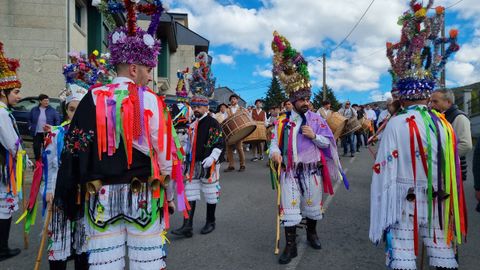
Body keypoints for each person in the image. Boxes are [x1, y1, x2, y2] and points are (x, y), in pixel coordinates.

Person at [53, 2, 176, 269]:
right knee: (147, 262)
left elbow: (75, 149)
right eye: (147, 69)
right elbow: (164, 155)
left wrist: (71, 190)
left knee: (105, 262)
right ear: (134, 69)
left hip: (101, 194)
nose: (148, 75)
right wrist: (168, 193)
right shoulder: (151, 100)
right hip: (143, 192)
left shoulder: (92, 98)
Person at [370, 2, 465, 269]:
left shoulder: (397, 123)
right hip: (439, 197)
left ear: (403, 93)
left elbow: (384, 167)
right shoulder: (443, 123)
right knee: (441, 250)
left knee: (402, 254)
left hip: (403, 201)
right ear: (427, 95)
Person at [270, 31, 346, 265]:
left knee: (313, 207)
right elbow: (273, 141)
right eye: (301, 100)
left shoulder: (316, 120)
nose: (306, 102)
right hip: (290, 172)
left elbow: (329, 143)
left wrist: (315, 137)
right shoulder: (283, 121)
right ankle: (290, 246)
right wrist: (273, 152)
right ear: (292, 101)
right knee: (290, 209)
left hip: (312, 171)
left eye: (307, 98)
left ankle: (312, 232)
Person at [42, 51, 110, 269]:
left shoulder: (93, 135)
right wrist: (49, 190)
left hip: (85, 195)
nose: (75, 114)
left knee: (83, 244)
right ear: (66, 110)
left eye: (79, 109)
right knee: (59, 243)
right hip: (62, 193)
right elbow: (51, 167)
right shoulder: (55, 133)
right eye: (71, 109)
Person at [0, 41, 28, 261]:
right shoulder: (1, 113)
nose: (19, 96)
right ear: (3, 91)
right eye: (16, 92)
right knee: (4, 207)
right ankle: (1, 249)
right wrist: (25, 159)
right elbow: (12, 143)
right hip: (4, 167)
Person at [431, 89, 472, 182]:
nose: (432, 105)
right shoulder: (442, 116)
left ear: (448, 102)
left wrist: (440, 157)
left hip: (453, 172)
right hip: (444, 171)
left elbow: (465, 145)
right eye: (431, 101)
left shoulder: (459, 117)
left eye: (435, 101)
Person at [29, 94, 61, 161]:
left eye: (47, 101)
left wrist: (54, 129)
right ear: (40, 101)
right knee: (36, 148)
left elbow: (57, 120)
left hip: (47, 133)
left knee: (46, 148)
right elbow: (29, 119)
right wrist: (30, 126)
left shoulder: (52, 110)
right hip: (37, 133)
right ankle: (38, 162)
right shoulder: (34, 110)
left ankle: (45, 161)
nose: (47, 102)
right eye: (45, 101)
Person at [224, 94, 247, 172]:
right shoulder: (227, 110)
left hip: (239, 131)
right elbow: (224, 119)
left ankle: (242, 165)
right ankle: (231, 165)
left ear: (237, 100)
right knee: (229, 149)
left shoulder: (242, 109)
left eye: (234, 99)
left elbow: (246, 117)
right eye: (231, 99)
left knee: (239, 148)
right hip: (229, 131)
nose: (233, 100)